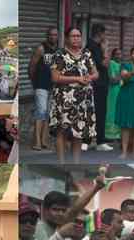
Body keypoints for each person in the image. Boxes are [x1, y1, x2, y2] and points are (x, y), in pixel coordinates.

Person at [49, 28, 99, 163]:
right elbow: (55, 77)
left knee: (79, 131)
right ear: (66, 38)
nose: (76, 38)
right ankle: (62, 162)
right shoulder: (59, 54)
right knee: (62, 131)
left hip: (83, 99)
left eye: (78, 36)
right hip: (65, 98)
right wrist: (77, 79)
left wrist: (89, 77)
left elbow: (96, 73)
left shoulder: (86, 54)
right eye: (73, 36)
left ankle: (76, 163)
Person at [28, 27, 58, 151]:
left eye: (55, 35)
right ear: (47, 36)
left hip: (52, 85)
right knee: (41, 111)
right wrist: (34, 82)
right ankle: (37, 142)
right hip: (40, 85)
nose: (53, 37)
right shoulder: (41, 48)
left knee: (47, 113)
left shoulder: (57, 50)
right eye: (51, 35)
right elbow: (32, 66)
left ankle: (44, 141)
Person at [87, 23, 113, 152]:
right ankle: (99, 141)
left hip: (100, 83)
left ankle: (95, 139)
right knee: (99, 112)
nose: (105, 36)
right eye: (104, 33)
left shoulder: (93, 46)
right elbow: (104, 64)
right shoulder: (93, 47)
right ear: (100, 33)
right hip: (97, 84)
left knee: (98, 112)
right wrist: (106, 50)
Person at [105, 48, 122, 142]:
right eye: (117, 54)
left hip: (120, 91)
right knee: (112, 111)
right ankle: (110, 134)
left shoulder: (121, 64)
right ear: (113, 55)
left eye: (120, 54)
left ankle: (118, 133)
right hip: (113, 91)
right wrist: (121, 73)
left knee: (119, 111)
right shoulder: (111, 63)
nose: (119, 56)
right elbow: (112, 80)